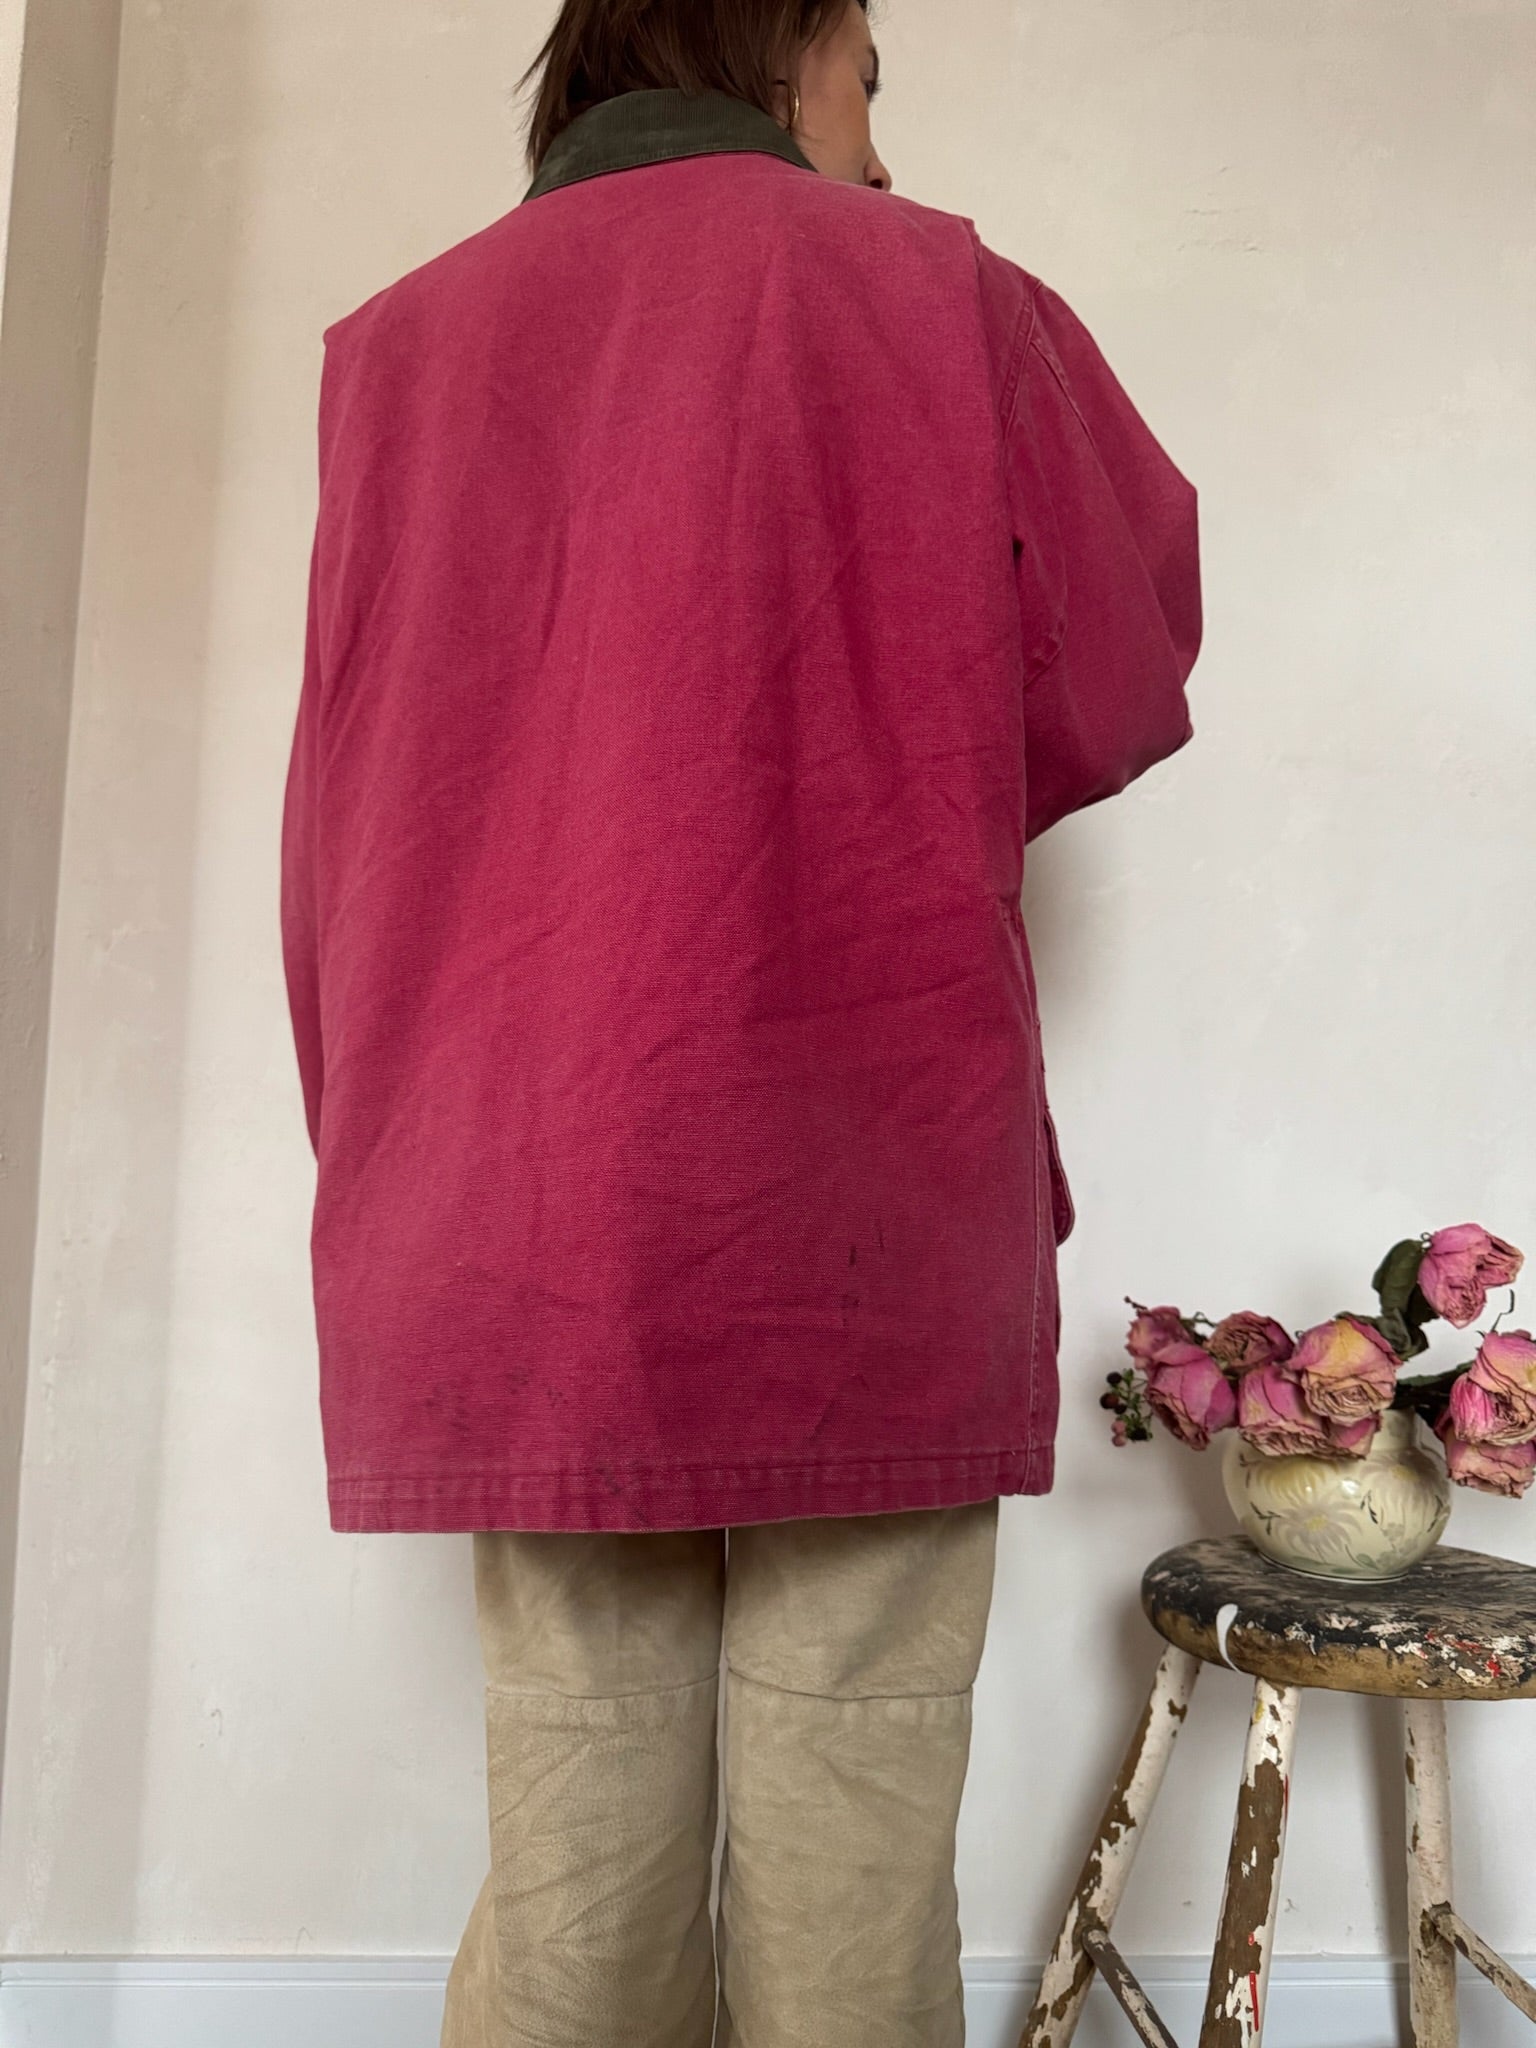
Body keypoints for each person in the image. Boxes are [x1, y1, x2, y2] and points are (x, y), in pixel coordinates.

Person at [279, 1, 1202, 2041]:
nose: (879, 140)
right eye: (870, 78)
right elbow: (1118, 663)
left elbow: (344, 809)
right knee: (851, 1839)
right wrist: (882, 746)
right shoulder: (943, 291)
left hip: (507, 1189)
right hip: (860, 1172)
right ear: (784, 43)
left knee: (577, 1844)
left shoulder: (399, 348)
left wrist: (381, 1151)